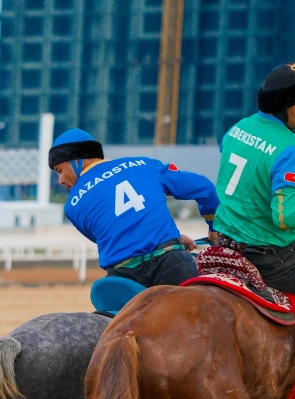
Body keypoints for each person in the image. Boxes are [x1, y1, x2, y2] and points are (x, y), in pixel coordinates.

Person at [50, 128, 219, 295]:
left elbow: (116, 237)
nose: (61, 180)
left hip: (123, 280)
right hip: (172, 265)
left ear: (77, 160)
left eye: (60, 171)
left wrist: (169, 237)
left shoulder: (72, 206)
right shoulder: (144, 165)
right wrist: (213, 229)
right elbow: (205, 189)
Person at [210, 62, 295, 290]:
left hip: (225, 243)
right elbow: (285, 218)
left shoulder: (239, 128)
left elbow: (229, 153)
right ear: (289, 106)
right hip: (271, 260)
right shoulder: (290, 148)